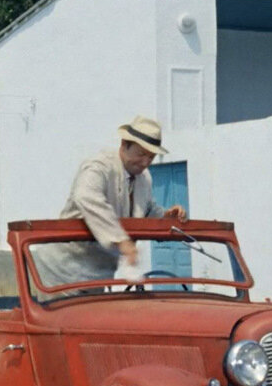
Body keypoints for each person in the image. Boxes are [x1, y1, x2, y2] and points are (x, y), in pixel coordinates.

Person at [35, 116, 187, 290]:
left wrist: (165, 217)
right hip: (60, 275)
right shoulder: (99, 166)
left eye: (151, 157)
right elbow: (86, 196)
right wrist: (122, 241)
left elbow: (145, 210)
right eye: (141, 154)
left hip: (97, 277)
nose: (145, 162)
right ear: (124, 144)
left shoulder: (144, 178)